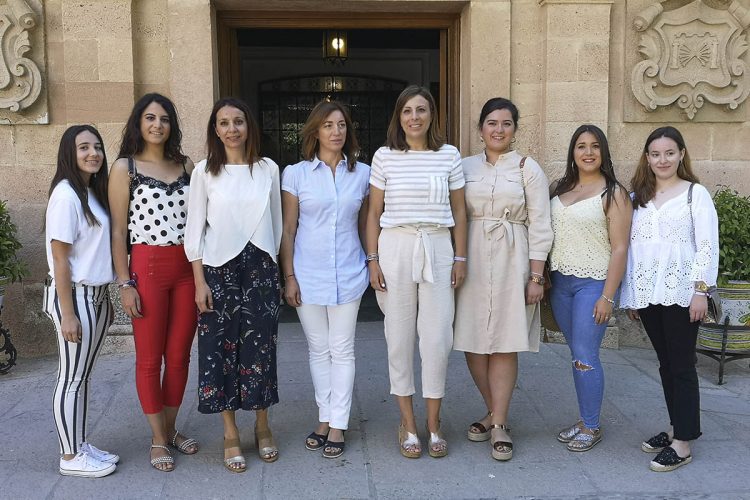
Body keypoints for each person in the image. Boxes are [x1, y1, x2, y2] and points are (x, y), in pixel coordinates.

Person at [365, 85, 467, 459]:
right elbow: (373, 213)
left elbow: (459, 212)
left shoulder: (449, 155)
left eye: (421, 110)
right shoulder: (384, 156)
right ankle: (408, 425)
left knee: (437, 338)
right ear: (399, 116)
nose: (414, 117)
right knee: (399, 336)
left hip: (438, 246)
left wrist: (461, 258)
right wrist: (372, 259)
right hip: (396, 246)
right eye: (407, 111)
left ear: (431, 115)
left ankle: (434, 423)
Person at [184, 97, 282, 473]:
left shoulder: (268, 169)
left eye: (238, 121)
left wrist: (280, 273)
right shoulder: (204, 173)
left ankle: (262, 425)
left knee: (260, 352)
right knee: (218, 351)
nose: (231, 129)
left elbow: (277, 225)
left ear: (249, 126)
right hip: (217, 271)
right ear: (215, 129)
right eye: (223, 122)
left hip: (260, 267)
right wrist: (198, 282)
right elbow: (193, 232)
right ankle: (229, 432)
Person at [454, 97, 553, 461]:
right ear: (480, 128)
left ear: (515, 129)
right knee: (472, 339)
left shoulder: (528, 168)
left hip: (514, 256)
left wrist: (536, 276)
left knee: (505, 341)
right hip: (472, 256)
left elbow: (541, 223)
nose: (498, 129)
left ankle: (498, 423)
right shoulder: (462, 166)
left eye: (506, 123)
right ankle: (494, 411)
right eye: (492, 122)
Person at [109, 93, 198, 472]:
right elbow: (117, 231)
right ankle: (158, 439)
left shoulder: (187, 165)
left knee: (179, 356)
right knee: (149, 359)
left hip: (186, 268)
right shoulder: (124, 168)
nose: (157, 124)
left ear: (172, 125)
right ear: (138, 123)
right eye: (150, 118)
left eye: (164, 118)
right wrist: (124, 283)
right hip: (146, 266)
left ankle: (171, 428)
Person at [621, 126, 718, 472]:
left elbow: (706, 245)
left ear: (681, 154)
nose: (663, 160)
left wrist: (700, 291)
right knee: (665, 362)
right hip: (648, 293)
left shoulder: (695, 194)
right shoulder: (637, 198)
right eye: (655, 154)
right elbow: (632, 249)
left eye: (669, 153)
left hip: (681, 292)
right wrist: (632, 293)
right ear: (647, 158)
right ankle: (678, 425)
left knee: (681, 364)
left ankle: (683, 443)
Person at [280, 101, 370, 459]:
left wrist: (372, 263)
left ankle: (338, 424)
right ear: (315, 131)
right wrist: (288, 276)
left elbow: (366, 224)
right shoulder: (296, 174)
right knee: (318, 349)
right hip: (307, 273)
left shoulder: (362, 173)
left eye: (342, 125)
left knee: (342, 348)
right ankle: (324, 416)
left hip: (349, 271)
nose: (336, 132)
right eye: (329, 125)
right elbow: (288, 229)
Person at [548, 124, 632, 452]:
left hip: (593, 284)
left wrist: (608, 296)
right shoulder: (559, 189)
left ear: (603, 152)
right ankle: (585, 419)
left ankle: (592, 426)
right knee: (577, 354)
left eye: (595, 146)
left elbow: (621, 248)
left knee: (586, 355)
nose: (588, 152)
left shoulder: (614, 193)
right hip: (561, 284)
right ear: (573, 152)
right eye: (581, 146)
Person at [43, 125, 118, 478]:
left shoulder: (90, 193)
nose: (93, 153)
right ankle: (69, 456)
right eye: (83, 147)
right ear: (68, 154)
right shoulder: (66, 195)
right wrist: (68, 314)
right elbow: (60, 260)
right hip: (75, 298)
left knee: (82, 377)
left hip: (96, 297)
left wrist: (106, 300)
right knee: (70, 378)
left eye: (98, 146)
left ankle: (79, 442)